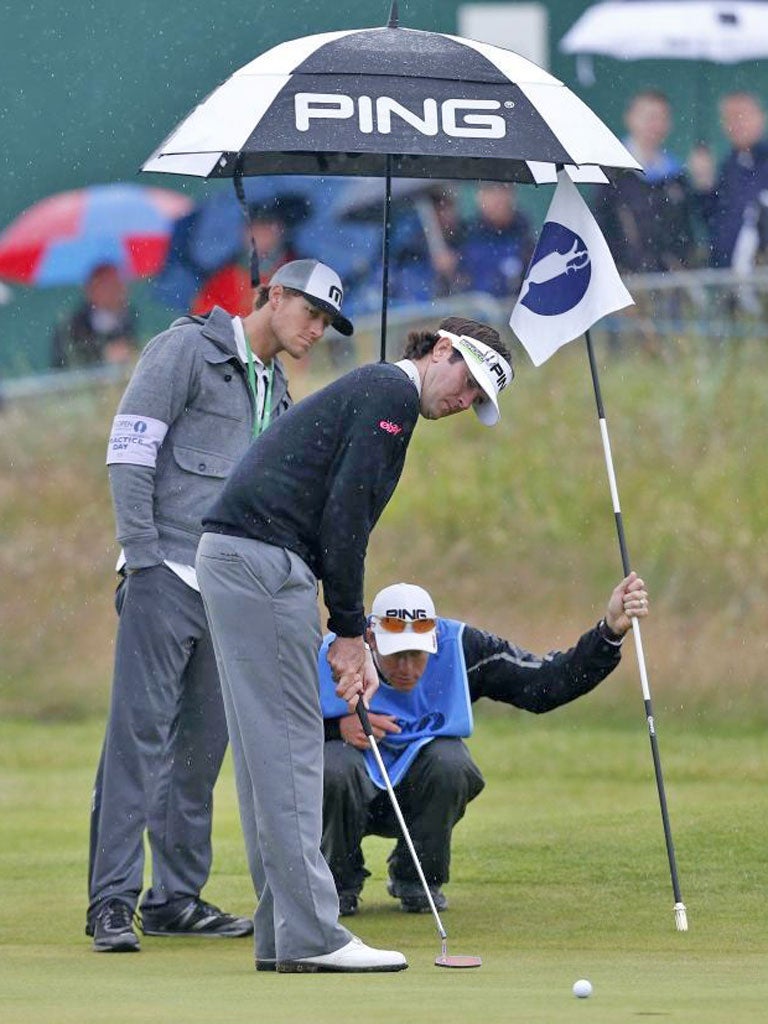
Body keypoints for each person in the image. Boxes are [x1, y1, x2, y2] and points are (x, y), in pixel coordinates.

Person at [195, 316, 514, 974]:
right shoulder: (390, 396)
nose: (464, 401)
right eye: (469, 381)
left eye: (479, 400)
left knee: (265, 759)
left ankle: (284, 932)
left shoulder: (376, 394)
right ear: (443, 349)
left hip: (237, 558)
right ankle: (312, 932)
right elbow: (346, 517)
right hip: (263, 563)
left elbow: (342, 511)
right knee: (290, 753)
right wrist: (348, 632)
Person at [87, 259, 347, 953]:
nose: (316, 330)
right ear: (274, 295)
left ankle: (174, 896)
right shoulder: (184, 350)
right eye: (310, 313)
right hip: (164, 570)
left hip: (231, 589)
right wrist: (140, 556)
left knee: (200, 750)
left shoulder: (278, 386)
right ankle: (111, 903)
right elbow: (129, 451)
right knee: (137, 740)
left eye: (325, 322)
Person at [318, 574, 650, 916]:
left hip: (422, 793)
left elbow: (544, 684)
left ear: (433, 636)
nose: (406, 668)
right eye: (395, 654)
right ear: (371, 639)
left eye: (417, 655)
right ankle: (337, 884)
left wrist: (609, 631)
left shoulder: (462, 647)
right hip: (346, 795)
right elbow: (273, 721)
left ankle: (417, 877)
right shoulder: (335, 652)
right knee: (333, 767)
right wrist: (334, 726)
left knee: (451, 762)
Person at [592, 91, 694, 274]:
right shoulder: (611, 172)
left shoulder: (676, 177)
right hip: (624, 279)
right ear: (630, 118)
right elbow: (603, 227)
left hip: (668, 282)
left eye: (662, 118)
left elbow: (684, 232)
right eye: (649, 117)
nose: (655, 125)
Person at [689, 92, 768, 269]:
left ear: (761, 117)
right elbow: (716, 223)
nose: (737, 124)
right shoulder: (728, 167)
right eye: (730, 118)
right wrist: (704, 187)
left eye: (743, 115)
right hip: (731, 282)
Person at [51, 263, 139, 369]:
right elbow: (64, 366)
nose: (116, 291)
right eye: (107, 285)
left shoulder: (130, 319)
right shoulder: (72, 326)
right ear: (90, 290)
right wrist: (102, 356)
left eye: (118, 283)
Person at [458, 183, 534, 298]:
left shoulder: (526, 241)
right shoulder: (464, 236)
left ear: (512, 195)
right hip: (471, 311)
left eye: (502, 190)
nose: (497, 198)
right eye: (490, 190)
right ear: (479, 197)